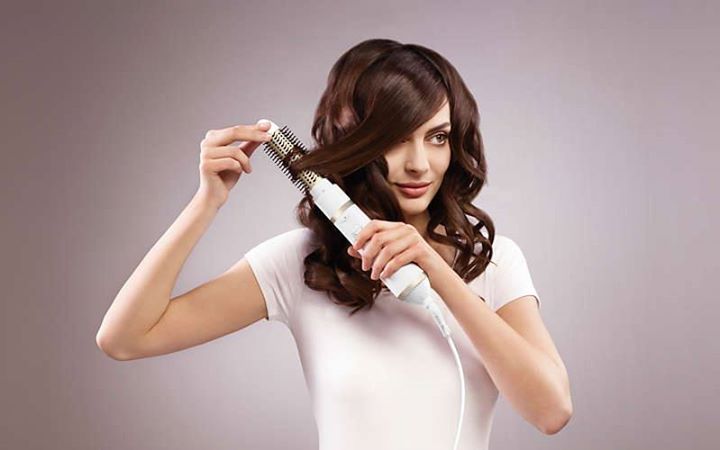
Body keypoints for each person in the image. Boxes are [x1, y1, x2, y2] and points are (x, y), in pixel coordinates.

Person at [96, 39, 572, 449]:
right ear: (356, 141)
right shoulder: (301, 263)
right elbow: (126, 338)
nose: (419, 164)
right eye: (396, 140)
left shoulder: (493, 262)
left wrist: (435, 271)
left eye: (437, 137)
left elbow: (551, 411)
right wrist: (206, 203)